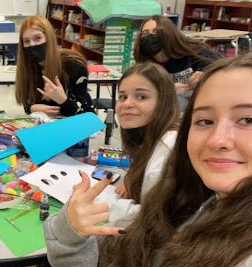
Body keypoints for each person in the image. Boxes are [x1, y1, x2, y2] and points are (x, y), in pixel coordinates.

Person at [44, 54, 252, 266]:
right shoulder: (212, 206)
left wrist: (71, 233)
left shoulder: (167, 148)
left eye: (247, 120)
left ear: (164, 102)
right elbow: (156, 219)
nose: (218, 140)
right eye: (205, 121)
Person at [103, 62, 180, 222]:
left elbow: (150, 220)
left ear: (163, 102)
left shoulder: (168, 146)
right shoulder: (147, 134)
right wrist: (133, 180)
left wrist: (98, 204)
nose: (127, 104)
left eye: (141, 97)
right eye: (123, 96)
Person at [133, 15, 219, 109]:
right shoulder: (146, 61)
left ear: (169, 34)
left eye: (156, 32)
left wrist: (203, 80)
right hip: (167, 110)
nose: (150, 37)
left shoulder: (197, 53)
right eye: (145, 33)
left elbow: (221, 78)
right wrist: (167, 89)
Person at [15, 15, 93, 116]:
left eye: (37, 38)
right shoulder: (28, 67)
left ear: (49, 38)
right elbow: (27, 105)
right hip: (44, 125)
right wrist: (32, 108)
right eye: (26, 41)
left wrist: (63, 100)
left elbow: (86, 114)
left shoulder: (74, 65)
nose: (32, 45)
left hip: (73, 126)